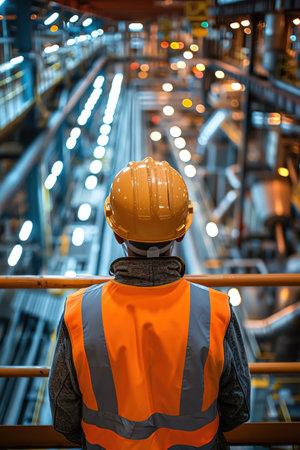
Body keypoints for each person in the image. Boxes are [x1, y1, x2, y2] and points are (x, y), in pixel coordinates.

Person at [49, 157, 251, 449]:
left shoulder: (79, 313)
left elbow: (64, 416)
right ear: (181, 232)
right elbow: (238, 408)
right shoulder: (215, 311)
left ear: (117, 232)